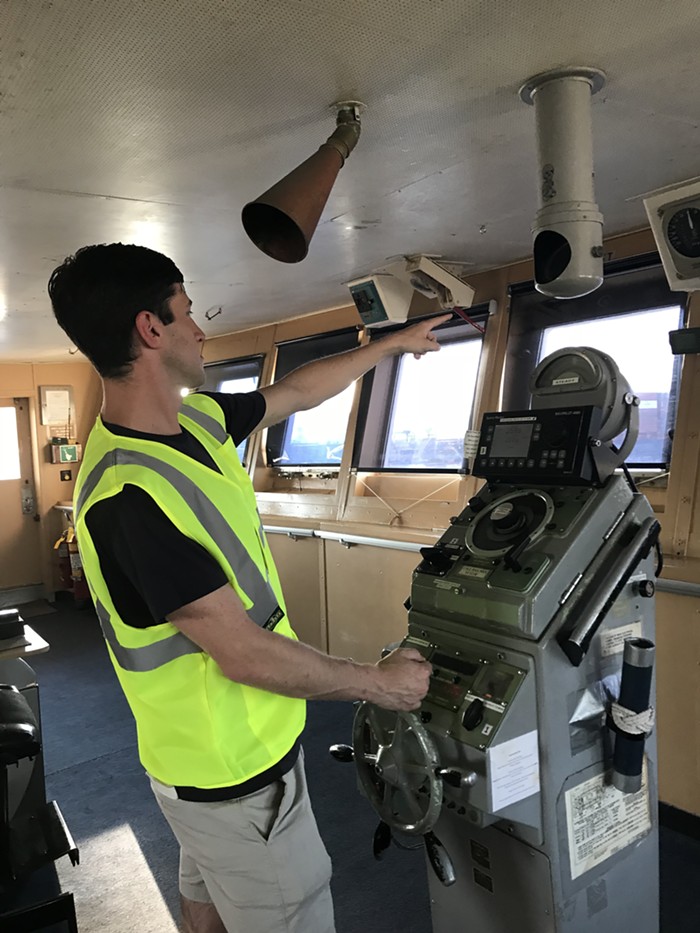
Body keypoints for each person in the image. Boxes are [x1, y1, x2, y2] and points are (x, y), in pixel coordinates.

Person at [48, 243, 447, 933]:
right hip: (233, 776)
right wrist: (380, 684)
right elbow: (243, 652)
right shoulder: (128, 497)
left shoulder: (196, 421)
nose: (200, 328)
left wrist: (390, 344)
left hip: (197, 765)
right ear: (150, 329)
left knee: (205, 903)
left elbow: (297, 390)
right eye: (188, 311)